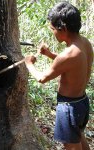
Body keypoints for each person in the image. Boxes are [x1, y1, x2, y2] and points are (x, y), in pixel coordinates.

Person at [25, 2, 93, 150]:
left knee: (72, 147)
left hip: (69, 108)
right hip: (81, 102)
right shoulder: (84, 43)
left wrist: (28, 64)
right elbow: (72, 65)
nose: (53, 32)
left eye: (53, 29)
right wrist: (50, 55)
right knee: (79, 137)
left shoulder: (67, 55)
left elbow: (42, 78)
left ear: (64, 29)